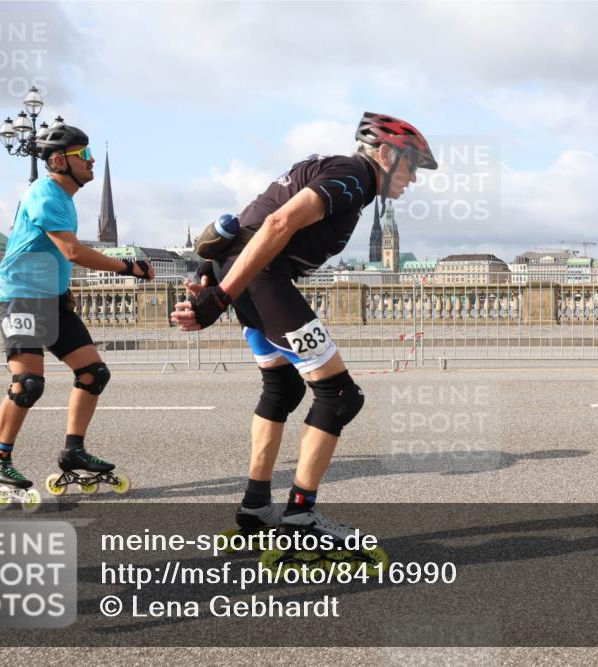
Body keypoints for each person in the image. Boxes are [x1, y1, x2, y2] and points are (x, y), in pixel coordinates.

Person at [174, 112, 437, 542]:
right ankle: (300, 517)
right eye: (412, 164)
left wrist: (212, 273)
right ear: (386, 153)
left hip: (244, 274)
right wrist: (219, 297)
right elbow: (278, 222)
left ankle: (256, 506)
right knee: (339, 396)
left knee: (283, 387)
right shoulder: (354, 176)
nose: (413, 178)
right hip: (262, 279)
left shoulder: (328, 165)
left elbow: (251, 217)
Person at [0, 123, 153, 508]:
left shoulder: (65, 200)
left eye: (90, 154)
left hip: (50, 298)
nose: (90, 162)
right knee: (29, 383)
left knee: (93, 374)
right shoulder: (44, 193)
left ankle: (74, 452)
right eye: (83, 156)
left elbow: (55, 255)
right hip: (19, 297)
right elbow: (72, 251)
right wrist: (130, 267)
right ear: (58, 161)